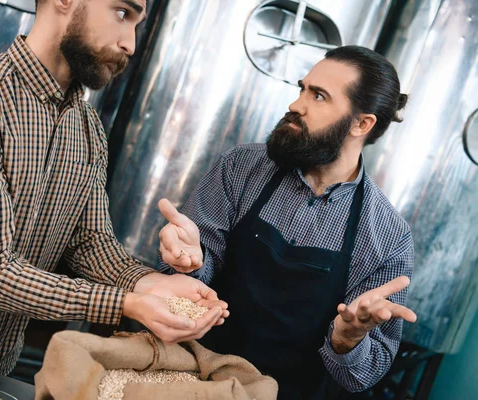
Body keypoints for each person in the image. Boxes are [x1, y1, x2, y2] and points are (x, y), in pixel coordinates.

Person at [0, 1, 228, 398]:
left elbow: (89, 242)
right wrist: (127, 304)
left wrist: (150, 284)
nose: (130, 43)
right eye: (121, 13)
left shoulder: (88, 127)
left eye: (138, 23)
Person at [158, 46, 417, 399]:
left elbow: (365, 375)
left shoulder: (388, 237)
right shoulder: (241, 167)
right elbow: (178, 287)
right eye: (302, 88)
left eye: (319, 96)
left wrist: (347, 339)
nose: (297, 104)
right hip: (189, 375)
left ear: (362, 124)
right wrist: (190, 264)